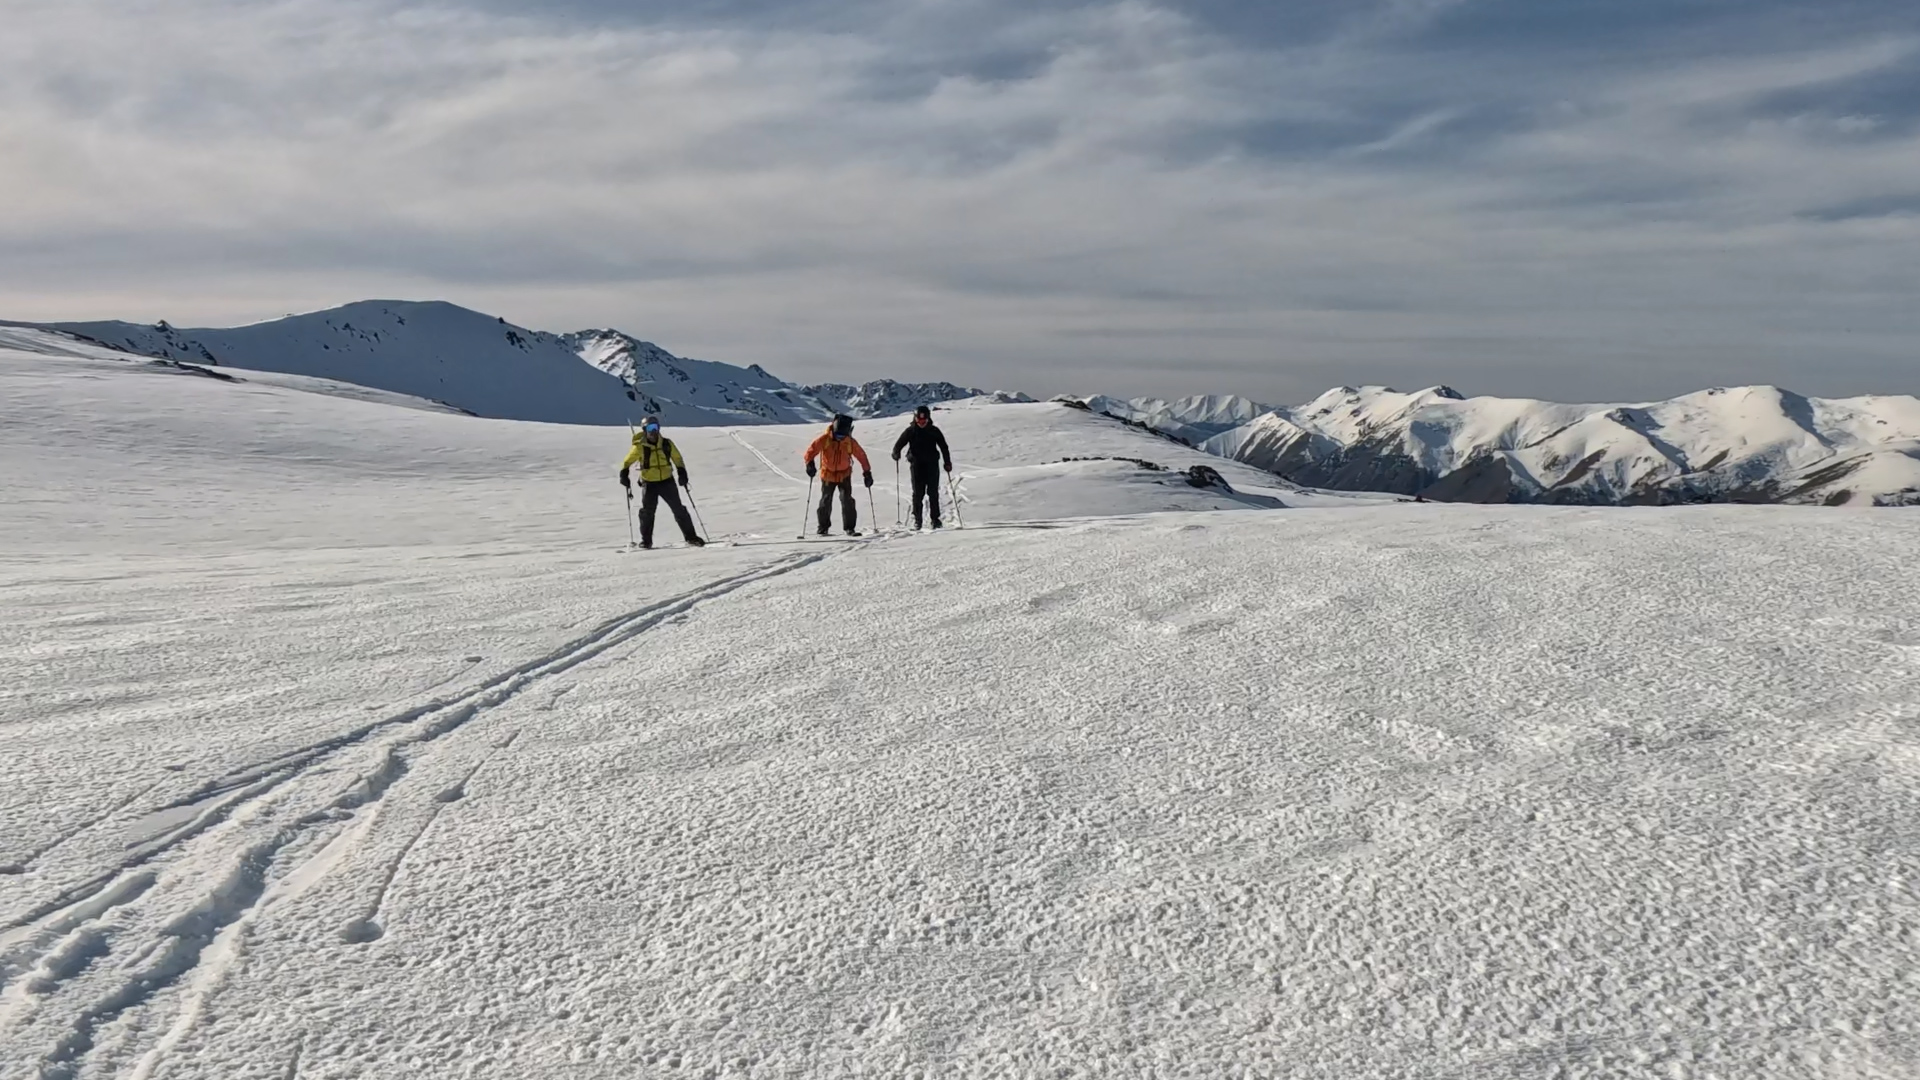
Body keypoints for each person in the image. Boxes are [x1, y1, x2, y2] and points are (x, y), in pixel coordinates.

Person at [619, 415, 705, 549]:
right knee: (647, 513)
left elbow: (677, 458)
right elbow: (627, 461)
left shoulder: (667, 444)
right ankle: (646, 541)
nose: (653, 431)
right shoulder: (639, 447)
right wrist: (624, 473)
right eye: (650, 428)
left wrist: (682, 471)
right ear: (644, 429)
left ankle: (691, 537)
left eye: (656, 427)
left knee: (679, 510)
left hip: (667, 481)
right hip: (649, 483)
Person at [803, 414, 872, 535]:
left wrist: (867, 472)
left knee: (847, 500)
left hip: (844, 474)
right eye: (837, 435)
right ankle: (823, 527)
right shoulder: (825, 439)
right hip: (827, 475)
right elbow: (811, 451)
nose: (840, 438)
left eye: (842, 436)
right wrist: (809, 464)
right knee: (825, 500)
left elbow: (861, 456)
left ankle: (849, 528)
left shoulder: (850, 442)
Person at [891, 405, 953, 529]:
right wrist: (896, 453)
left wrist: (947, 462)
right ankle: (917, 520)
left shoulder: (934, 431)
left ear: (928, 419)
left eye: (924, 420)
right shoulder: (910, 431)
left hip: (932, 465)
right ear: (915, 419)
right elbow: (899, 444)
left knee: (933, 492)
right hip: (916, 465)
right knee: (918, 493)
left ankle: (935, 519)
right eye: (919, 420)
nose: (921, 422)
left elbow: (944, 447)